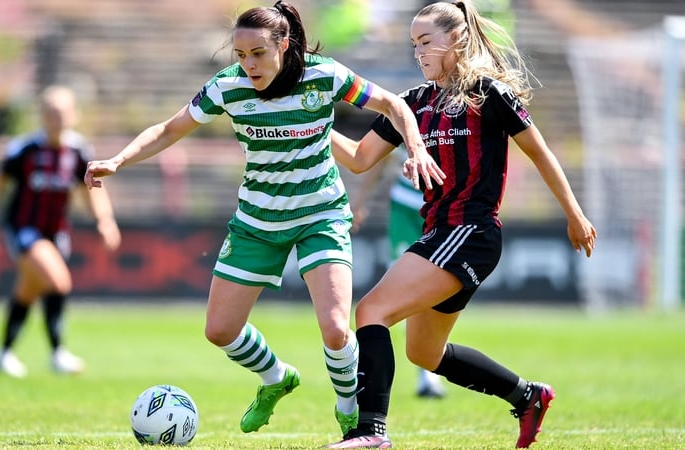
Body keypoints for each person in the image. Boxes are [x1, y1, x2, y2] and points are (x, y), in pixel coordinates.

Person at [83, 1, 442, 437]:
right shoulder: (228, 86)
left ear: (284, 45)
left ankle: (349, 408)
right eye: (240, 55)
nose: (247, 64)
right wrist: (118, 160)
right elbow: (168, 129)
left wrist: (419, 149)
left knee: (334, 328)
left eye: (257, 53)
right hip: (257, 220)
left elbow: (392, 104)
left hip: (319, 215)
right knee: (219, 331)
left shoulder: (323, 75)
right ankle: (276, 378)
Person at [327, 1, 597, 448]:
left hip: (470, 232)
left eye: (426, 42)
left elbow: (540, 152)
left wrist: (575, 213)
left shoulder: (487, 94)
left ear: (456, 40)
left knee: (371, 312)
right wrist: (312, 122)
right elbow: (359, 159)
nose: (418, 52)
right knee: (423, 353)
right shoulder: (412, 102)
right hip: (439, 232)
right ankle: (527, 396)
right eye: (413, 44)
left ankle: (370, 432)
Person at [0, 85, 121, 378]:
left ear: (74, 115)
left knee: (28, 290)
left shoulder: (79, 151)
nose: (57, 119)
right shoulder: (25, 150)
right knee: (58, 282)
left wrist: (105, 220)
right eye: (51, 113)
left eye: (63, 112)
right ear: (42, 116)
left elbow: (91, 188)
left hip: (56, 232)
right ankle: (58, 354)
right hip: (23, 229)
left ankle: (4, 353)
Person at [348, 145, 446, 399]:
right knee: (402, 285)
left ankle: (427, 370)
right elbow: (380, 157)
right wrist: (360, 200)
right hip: (406, 207)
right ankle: (423, 375)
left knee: (432, 288)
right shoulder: (404, 107)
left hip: (442, 209)